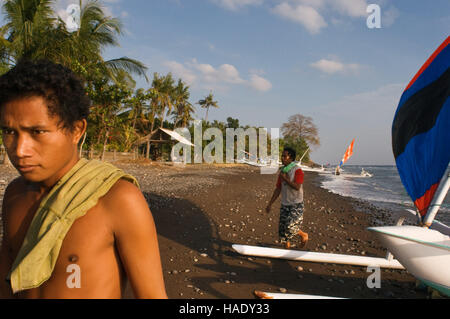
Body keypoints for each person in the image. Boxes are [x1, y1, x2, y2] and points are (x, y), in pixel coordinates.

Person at [0, 60, 167, 299]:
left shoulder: (117, 200)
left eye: (37, 132)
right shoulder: (15, 194)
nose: (20, 150)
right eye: (9, 132)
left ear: (77, 131)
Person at [266, 147, 308, 249]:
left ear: (291, 158)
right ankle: (287, 250)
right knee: (282, 231)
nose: (282, 158)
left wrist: (285, 179)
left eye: (285, 156)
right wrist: (270, 204)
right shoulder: (282, 171)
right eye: (282, 156)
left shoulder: (298, 170)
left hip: (296, 203)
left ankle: (304, 235)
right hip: (285, 203)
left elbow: (297, 187)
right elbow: (278, 189)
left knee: (290, 227)